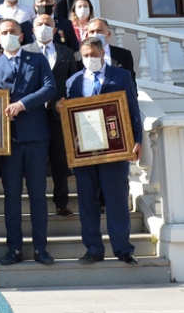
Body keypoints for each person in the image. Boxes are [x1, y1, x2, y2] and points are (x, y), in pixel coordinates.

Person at [63, 36, 142, 265]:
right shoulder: (73, 82)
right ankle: (93, 249)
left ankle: (124, 249)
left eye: (94, 55)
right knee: (88, 201)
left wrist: (137, 139)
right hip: (84, 152)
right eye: (86, 56)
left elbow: (133, 110)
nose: (90, 59)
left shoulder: (121, 75)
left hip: (116, 148)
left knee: (116, 200)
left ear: (102, 54)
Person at [0, 18, 56, 266]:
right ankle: (14, 249)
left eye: (13, 31)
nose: (8, 35)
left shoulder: (37, 59)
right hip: (8, 141)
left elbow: (50, 88)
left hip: (36, 136)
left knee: (38, 196)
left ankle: (40, 249)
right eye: (4, 32)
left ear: (22, 36)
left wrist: (23, 104)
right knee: (11, 197)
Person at [22, 14, 78, 216]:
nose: (44, 27)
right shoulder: (24, 52)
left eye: (48, 24)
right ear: (32, 30)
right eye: (39, 24)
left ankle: (61, 201)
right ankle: (36, 203)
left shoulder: (67, 53)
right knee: (34, 161)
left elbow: (72, 82)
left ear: (55, 30)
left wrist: (68, 103)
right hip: (33, 114)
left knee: (60, 160)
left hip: (58, 114)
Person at [75, 18, 136, 85]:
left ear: (109, 34)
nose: (95, 34)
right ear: (87, 36)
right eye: (92, 32)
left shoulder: (124, 55)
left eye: (99, 31)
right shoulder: (78, 57)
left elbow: (131, 83)